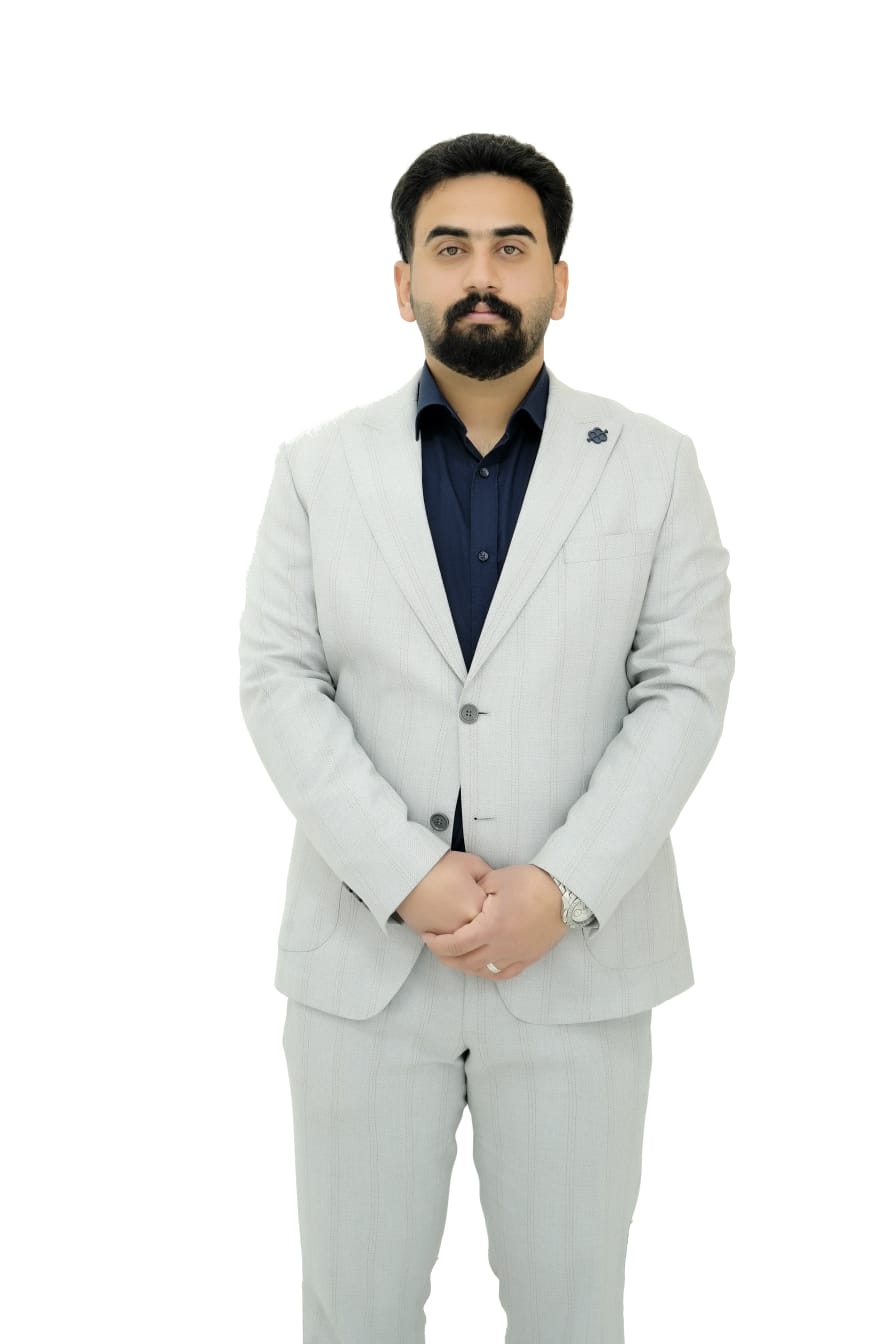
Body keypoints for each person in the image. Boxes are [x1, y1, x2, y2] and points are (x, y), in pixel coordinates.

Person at [238, 131, 735, 1344]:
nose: (479, 274)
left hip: (576, 965)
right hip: (365, 965)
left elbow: (683, 687)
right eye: (447, 247)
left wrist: (559, 889)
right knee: (354, 1315)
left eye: (510, 249)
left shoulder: (654, 465)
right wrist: (405, 872)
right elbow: (278, 682)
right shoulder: (316, 469)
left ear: (558, 281)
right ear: (401, 280)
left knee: (571, 1315)